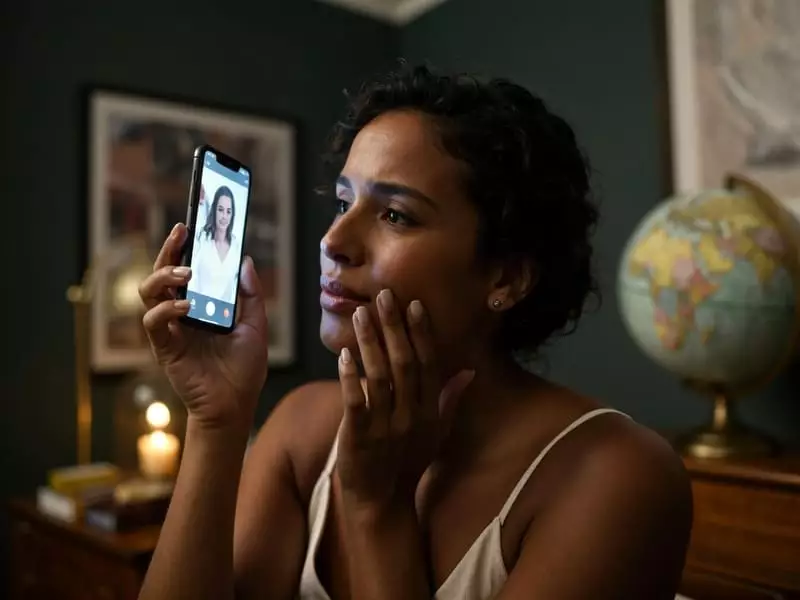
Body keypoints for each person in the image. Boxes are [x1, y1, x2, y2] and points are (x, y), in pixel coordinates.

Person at [137, 63, 693, 600]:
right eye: (343, 202)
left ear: (506, 275)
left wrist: (376, 507)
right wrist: (216, 420)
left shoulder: (617, 476)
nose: (334, 240)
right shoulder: (301, 431)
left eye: (395, 215)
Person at [189, 184, 240, 304]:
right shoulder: (202, 239)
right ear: (214, 210)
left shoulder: (236, 246)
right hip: (195, 308)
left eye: (228, 212)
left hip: (223, 317)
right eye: (220, 210)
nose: (224, 216)